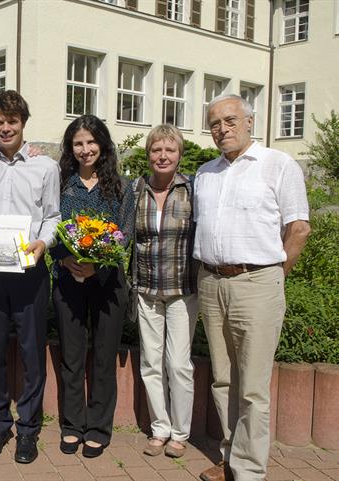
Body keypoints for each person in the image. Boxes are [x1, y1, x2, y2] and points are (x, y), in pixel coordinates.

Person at [195, 94, 310, 481]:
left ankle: (249, 471)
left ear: (249, 121)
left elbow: (298, 228)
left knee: (253, 387)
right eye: (214, 123)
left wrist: (276, 276)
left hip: (257, 282)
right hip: (212, 282)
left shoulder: (277, 164)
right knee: (223, 379)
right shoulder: (206, 173)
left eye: (229, 120)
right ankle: (230, 456)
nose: (222, 129)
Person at [0, 90, 60, 464]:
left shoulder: (45, 168)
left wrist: (42, 242)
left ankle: (29, 431)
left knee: (32, 354)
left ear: (23, 124)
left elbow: (52, 216)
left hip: (30, 273)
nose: (6, 128)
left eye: (12, 122)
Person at [49, 115, 133, 458]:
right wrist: (63, 257)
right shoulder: (60, 184)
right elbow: (47, 227)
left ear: (103, 144)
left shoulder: (121, 187)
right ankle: (72, 425)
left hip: (108, 282)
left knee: (102, 357)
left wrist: (97, 262)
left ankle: (98, 427)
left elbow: (125, 234)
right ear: (71, 148)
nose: (85, 149)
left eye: (91, 142)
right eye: (78, 143)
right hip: (68, 281)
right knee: (71, 356)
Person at [132, 124, 198, 459]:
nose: (162, 156)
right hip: (146, 290)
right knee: (151, 363)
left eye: (169, 150)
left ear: (179, 155)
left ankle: (180, 432)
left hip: (182, 291)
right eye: (156, 150)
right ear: (148, 154)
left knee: (178, 364)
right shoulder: (136, 189)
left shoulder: (192, 191)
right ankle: (159, 428)